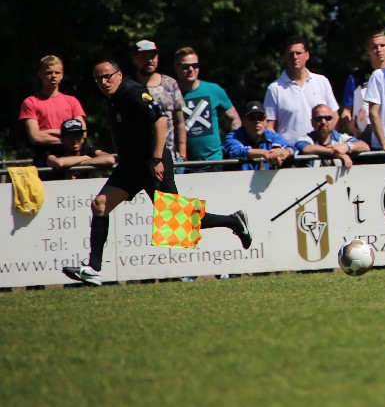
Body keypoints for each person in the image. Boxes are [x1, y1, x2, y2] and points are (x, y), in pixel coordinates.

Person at [62, 61, 252, 286]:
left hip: (151, 163)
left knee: (178, 221)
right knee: (100, 204)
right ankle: (94, 269)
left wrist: (157, 159)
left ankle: (234, 221)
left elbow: (161, 121)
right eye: (98, 79)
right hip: (131, 166)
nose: (104, 82)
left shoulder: (132, 92)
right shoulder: (114, 98)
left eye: (107, 76)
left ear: (119, 74)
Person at [264, 36, 339, 143]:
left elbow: (334, 117)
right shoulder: (274, 88)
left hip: (320, 150)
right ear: (285, 57)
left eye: (298, 53)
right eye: (290, 54)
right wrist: (279, 147)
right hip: (289, 151)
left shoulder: (321, 81)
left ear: (307, 55)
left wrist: (330, 144)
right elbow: (269, 127)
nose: (295, 57)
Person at [174, 46, 240, 164]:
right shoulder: (171, 93)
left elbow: (234, 118)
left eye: (195, 65)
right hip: (182, 164)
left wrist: (233, 145)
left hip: (214, 161)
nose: (191, 69)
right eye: (185, 66)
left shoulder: (214, 90)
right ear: (176, 68)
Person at [19, 55, 87, 166]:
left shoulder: (72, 101)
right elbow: (35, 136)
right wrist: (67, 136)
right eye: (48, 73)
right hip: (45, 157)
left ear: (62, 75)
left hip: (71, 156)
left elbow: (82, 133)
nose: (53, 76)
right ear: (39, 74)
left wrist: (49, 132)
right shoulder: (30, 102)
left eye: (57, 73)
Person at [132, 40, 187, 161]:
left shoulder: (170, 83)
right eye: (144, 56)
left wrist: (182, 154)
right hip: (140, 158)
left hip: (170, 157)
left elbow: (180, 122)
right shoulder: (128, 86)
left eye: (153, 56)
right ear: (135, 59)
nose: (149, 60)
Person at [340, 30, 385, 139]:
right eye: (374, 47)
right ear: (367, 50)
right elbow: (346, 112)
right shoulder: (356, 77)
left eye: (382, 45)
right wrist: (350, 125)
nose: (379, 50)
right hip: (365, 134)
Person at [224, 101, 298, 170]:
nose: (257, 121)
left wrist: (286, 152)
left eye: (261, 118)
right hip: (239, 178)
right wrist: (264, 153)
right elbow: (235, 151)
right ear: (243, 121)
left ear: (265, 121)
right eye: (252, 118)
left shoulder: (271, 135)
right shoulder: (233, 136)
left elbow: (292, 148)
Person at [295, 104, 370, 167]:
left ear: (333, 121)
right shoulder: (305, 139)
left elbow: (365, 146)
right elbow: (306, 149)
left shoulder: (341, 138)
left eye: (328, 118)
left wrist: (346, 146)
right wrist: (336, 153)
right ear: (312, 122)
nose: (323, 122)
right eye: (318, 118)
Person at [45, 118, 115, 179]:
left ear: (83, 138)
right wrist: (84, 158)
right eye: (70, 136)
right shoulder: (55, 152)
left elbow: (110, 159)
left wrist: (82, 162)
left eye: (78, 136)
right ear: (62, 139)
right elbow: (59, 163)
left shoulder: (88, 150)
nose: (75, 140)